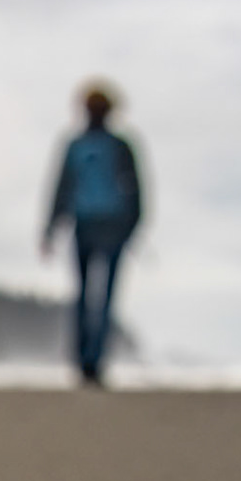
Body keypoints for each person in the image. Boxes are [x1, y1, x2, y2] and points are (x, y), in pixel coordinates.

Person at [42, 82, 148, 386]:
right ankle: (90, 361)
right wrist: (133, 224)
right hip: (104, 225)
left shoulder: (83, 146)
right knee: (100, 298)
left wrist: (51, 228)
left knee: (87, 296)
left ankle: (88, 361)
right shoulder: (113, 146)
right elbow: (135, 191)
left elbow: (62, 189)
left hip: (94, 225)